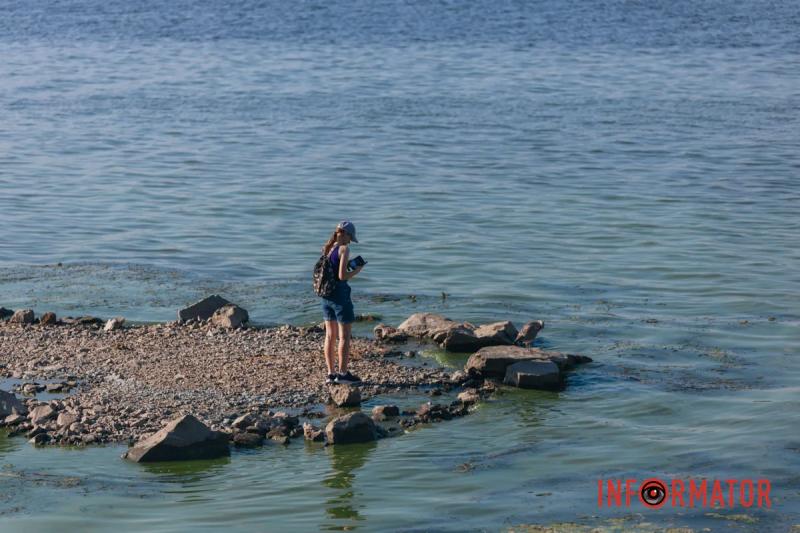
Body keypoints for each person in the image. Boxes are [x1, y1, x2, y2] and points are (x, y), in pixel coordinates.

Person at [320, 220, 365, 385]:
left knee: (330, 336)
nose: (350, 241)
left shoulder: (328, 248)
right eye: (350, 237)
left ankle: (331, 374)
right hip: (340, 296)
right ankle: (344, 374)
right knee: (344, 336)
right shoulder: (344, 249)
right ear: (344, 234)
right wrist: (357, 270)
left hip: (326, 295)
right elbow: (342, 276)